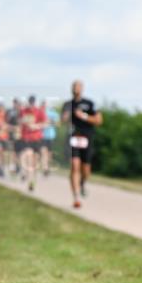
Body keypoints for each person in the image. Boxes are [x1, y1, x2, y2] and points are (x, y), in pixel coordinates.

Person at [61, 80, 102, 208]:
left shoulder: (89, 103)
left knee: (86, 169)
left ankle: (83, 182)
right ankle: (76, 198)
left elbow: (99, 120)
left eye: (78, 86)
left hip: (87, 137)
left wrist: (83, 116)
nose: (76, 89)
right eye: (74, 86)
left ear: (82, 88)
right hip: (73, 137)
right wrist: (66, 117)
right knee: (74, 165)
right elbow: (62, 121)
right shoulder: (67, 104)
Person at [19, 95, 47, 191]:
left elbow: (45, 123)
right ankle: (27, 175)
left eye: (32, 102)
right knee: (27, 156)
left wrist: (36, 126)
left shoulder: (39, 111)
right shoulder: (23, 111)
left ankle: (32, 181)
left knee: (34, 162)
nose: (31, 104)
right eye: (30, 102)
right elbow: (20, 121)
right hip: (27, 138)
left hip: (37, 138)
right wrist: (23, 122)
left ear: (34, 102)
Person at [40, 99, 59, 177]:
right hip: (42, 135)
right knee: (43, 152)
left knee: (49, 153)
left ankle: (47, 166)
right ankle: (45, 167)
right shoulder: (41, 112)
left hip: (51, 135)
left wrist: (49, 122)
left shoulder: (54, 113)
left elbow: (57, 124)